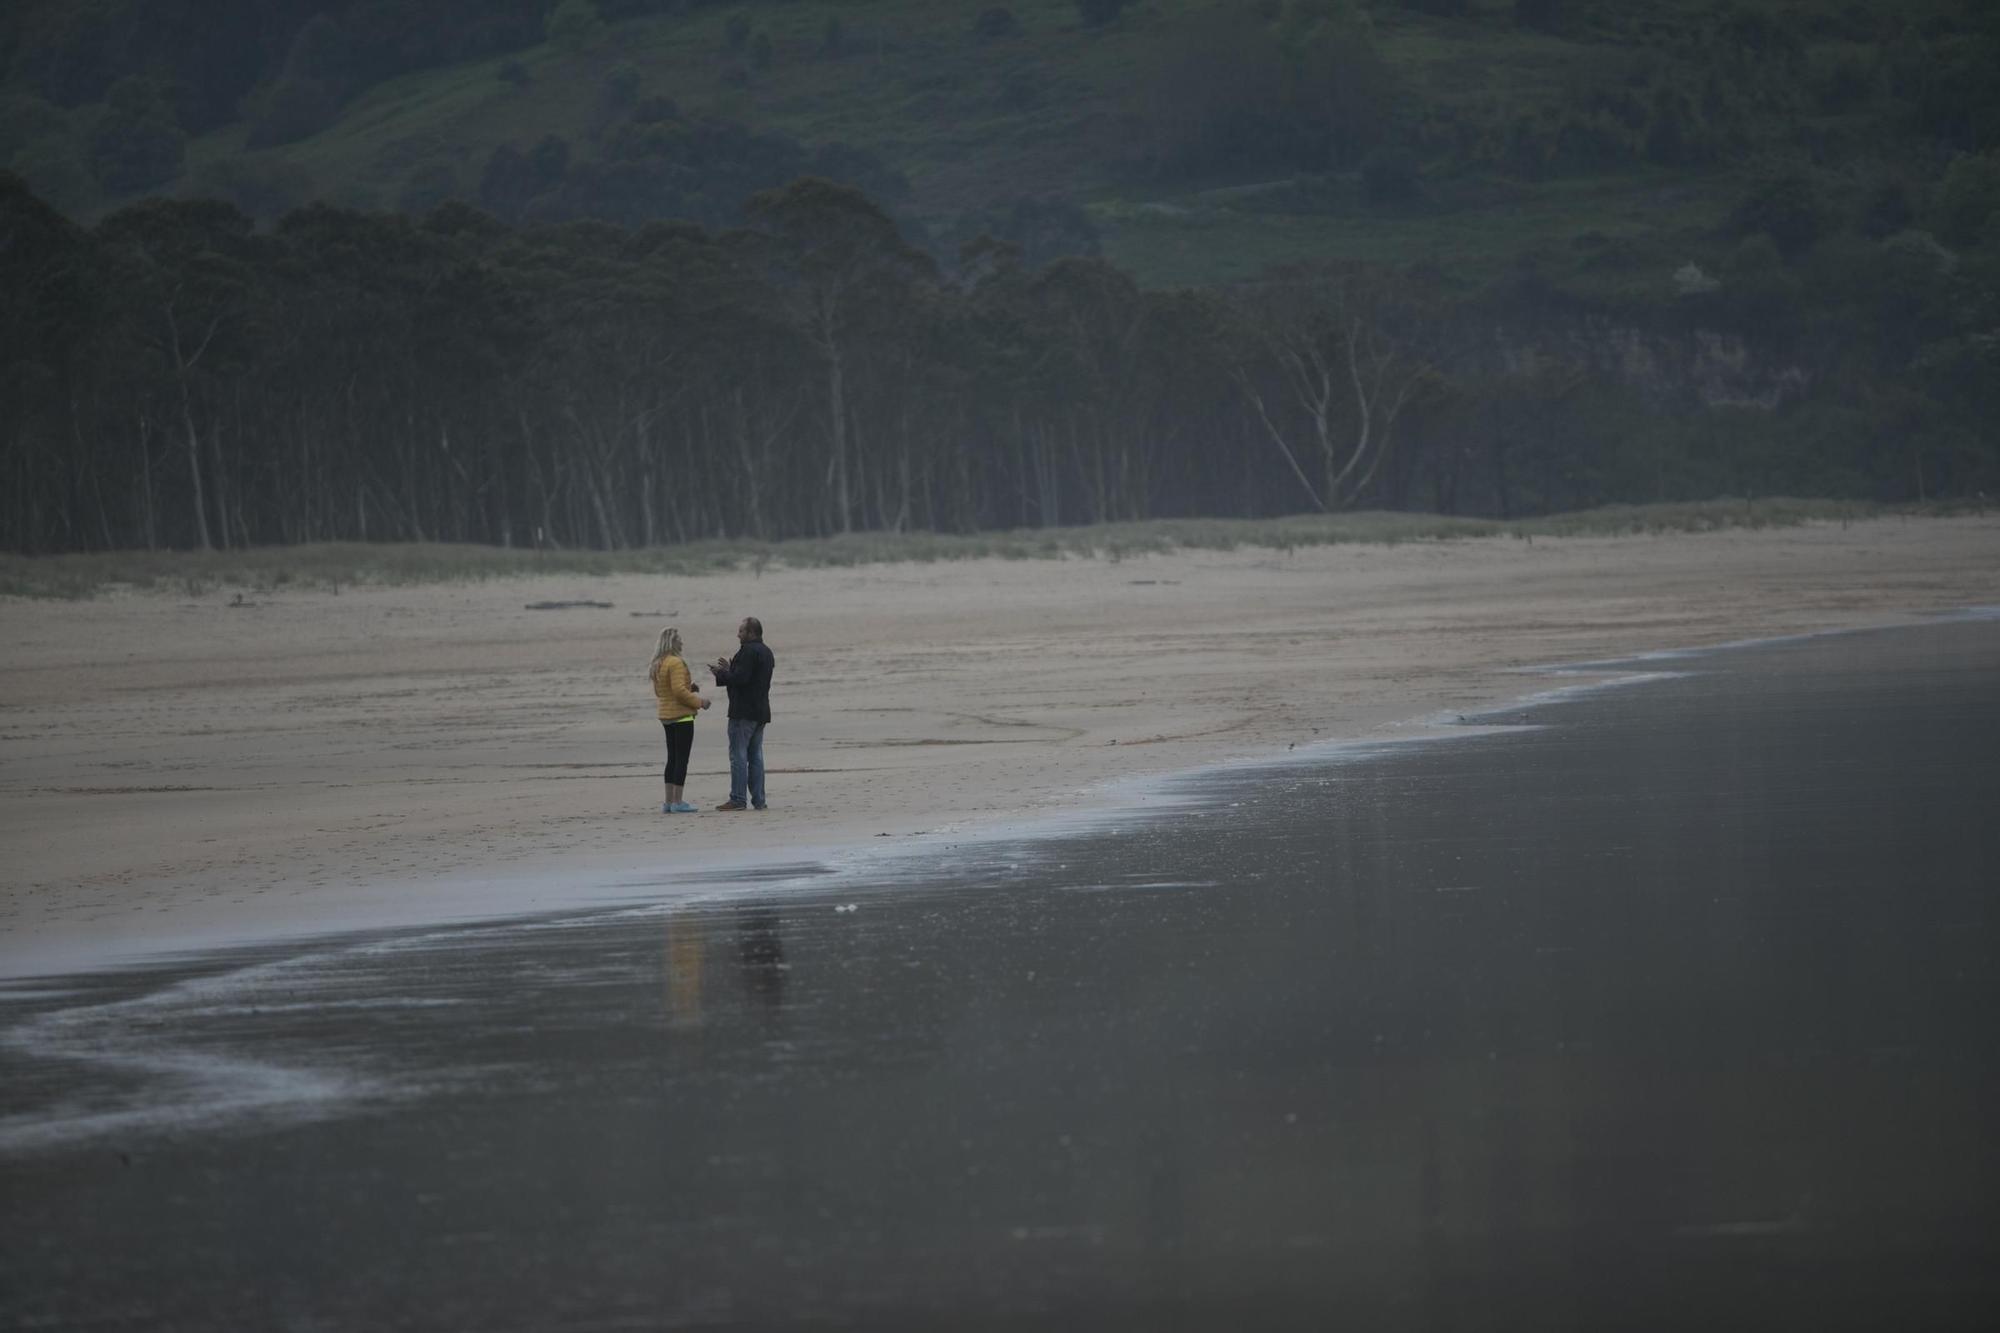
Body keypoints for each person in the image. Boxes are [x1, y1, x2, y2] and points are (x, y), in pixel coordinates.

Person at [709, 616, 775, 812]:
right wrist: (729, 670)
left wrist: (722, 674)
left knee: (738, 755)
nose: (738, 634)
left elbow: (742, 679)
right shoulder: (766, 652)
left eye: (741, 631)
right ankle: (759, 800)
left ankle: (738, 799)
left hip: (743, 712)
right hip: (760, 710)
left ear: (751, 633)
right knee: (755, 756)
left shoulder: (748, 651)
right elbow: (749, 677)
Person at [648, 626, 710, 813]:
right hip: (681, 716)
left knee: (672, 758)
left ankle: (668, 802)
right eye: (679, 639)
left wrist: (689, 687)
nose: (682, 642)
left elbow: (662, 691)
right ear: (672, 642)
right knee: (681, 758)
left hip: (666, 715)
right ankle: (678, 802)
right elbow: (678, 692)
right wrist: (700, 702)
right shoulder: (675, 662)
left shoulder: (659, 663)